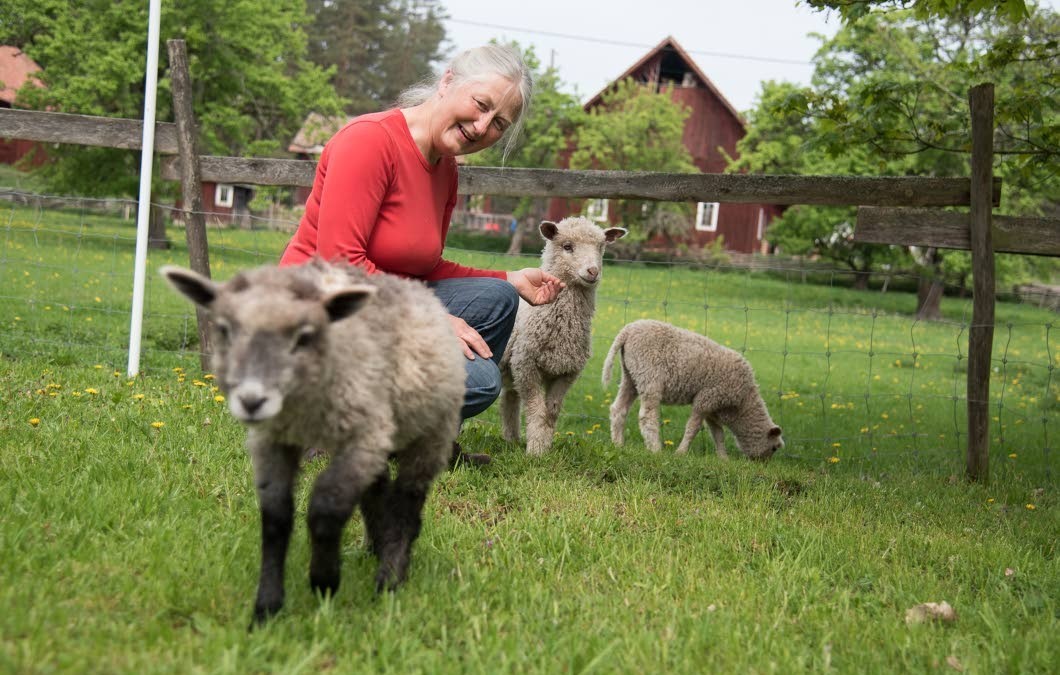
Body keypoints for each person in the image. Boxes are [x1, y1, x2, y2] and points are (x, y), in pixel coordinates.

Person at [280, 44, 563, 463]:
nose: (482, 126)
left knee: (499, 298)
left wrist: (509, 278)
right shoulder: (369, 141)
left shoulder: (445, 168)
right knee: (478, 380)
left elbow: (424, 266)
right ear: (448, 81)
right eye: (481, 104)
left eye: (499, 123)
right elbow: (339, 264)